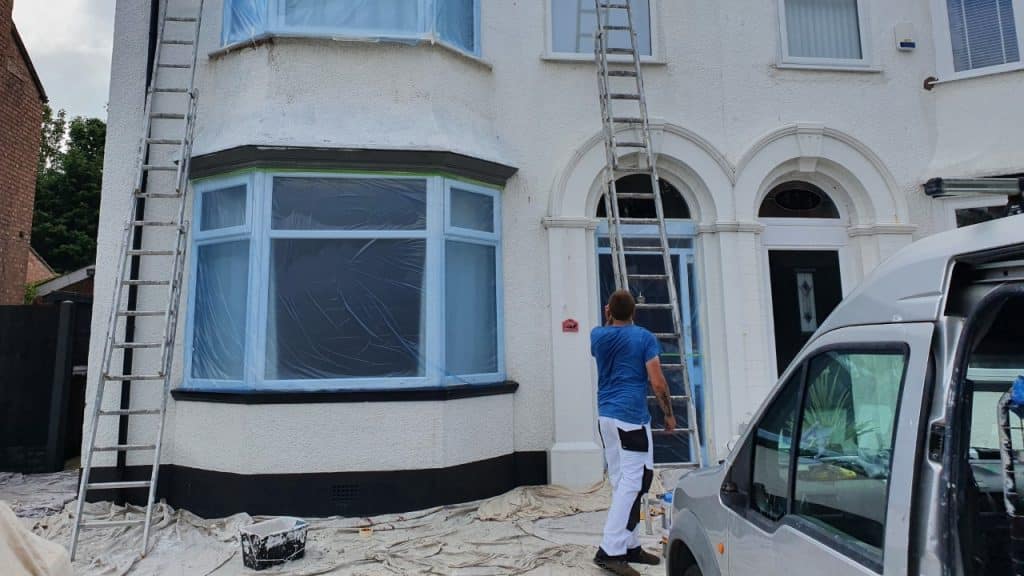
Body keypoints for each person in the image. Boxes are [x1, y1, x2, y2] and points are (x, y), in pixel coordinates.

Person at [591, 289, 676, 576]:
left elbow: (608, 334)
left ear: (609, 312)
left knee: (623, 481)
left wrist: (609, 318)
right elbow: (658, 381)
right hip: (630, 419)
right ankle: (609, 550)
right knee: (635, 481)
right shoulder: (643, 338)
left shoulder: (597, 336)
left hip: (607, 419)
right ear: (634, 312)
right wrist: (668, 413)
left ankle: (629, 545)